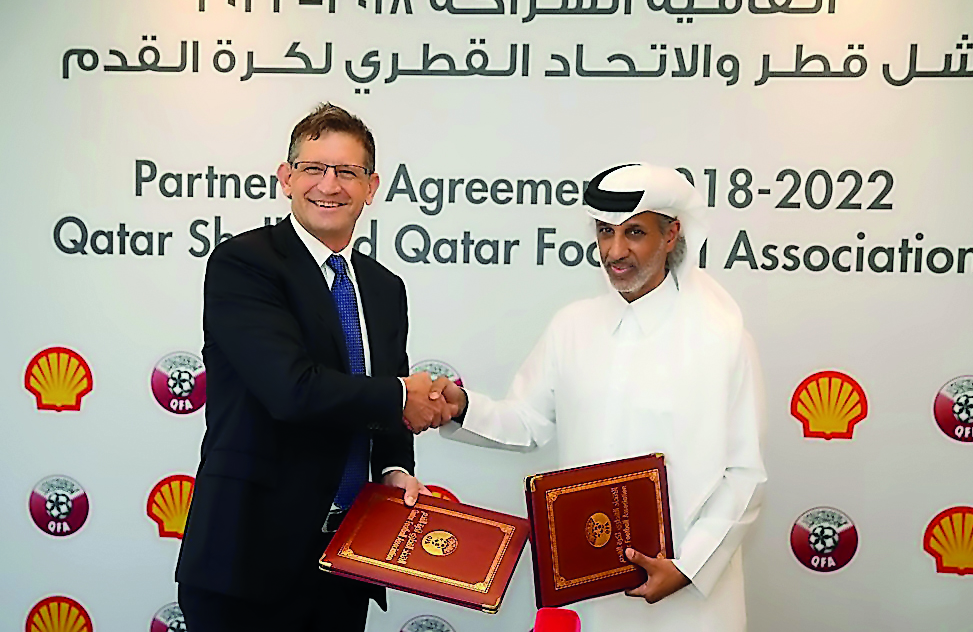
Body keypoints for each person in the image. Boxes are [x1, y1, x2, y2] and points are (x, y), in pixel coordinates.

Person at [435, 164, 767, 632]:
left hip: (690, 600)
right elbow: (528, 420)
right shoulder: (573, 326)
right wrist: (461, 407)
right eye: (605, 232)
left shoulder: (721, 337)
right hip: (591, 593)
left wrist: (688, 566)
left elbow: (745, 473)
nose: (615, 251)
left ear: (671, 235)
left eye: (634, 233)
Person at [175, 103, 455, 632]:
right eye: (314, 168)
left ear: (371, 187)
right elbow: (292, 389)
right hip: (247, 560)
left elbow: (385, 391)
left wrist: (396, 466)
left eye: (347, 172)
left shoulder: (384, 288)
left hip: (346, 559)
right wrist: (401, 396)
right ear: (286, 178)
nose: (330, 185)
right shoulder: (246, 264)